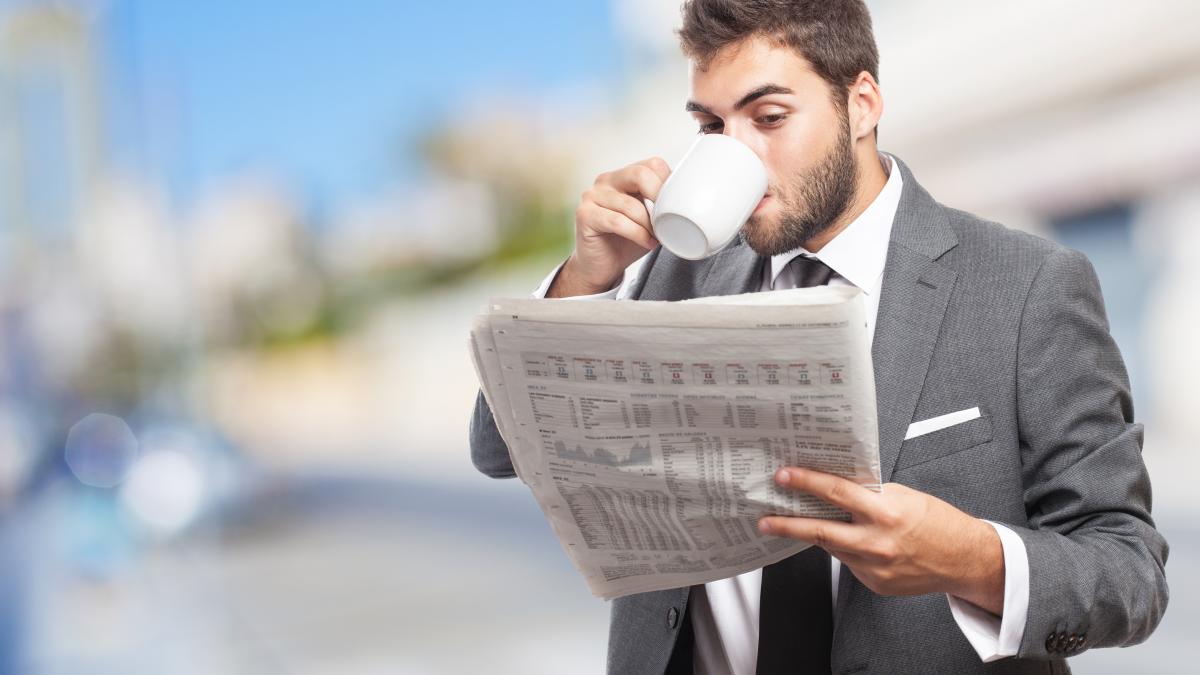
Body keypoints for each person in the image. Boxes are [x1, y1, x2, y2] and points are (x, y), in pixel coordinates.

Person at [469, 1, 1168, 673]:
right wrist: (582, 282)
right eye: (711, 125)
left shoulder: (1026, 284)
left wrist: (972, 560)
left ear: (861, 104)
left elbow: (1128, 571)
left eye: (769, 117)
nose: (737, 151)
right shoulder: (672, 269)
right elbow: (500, 451)